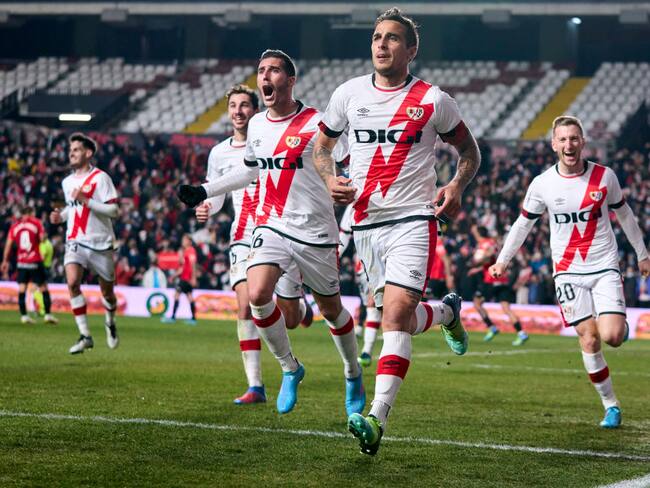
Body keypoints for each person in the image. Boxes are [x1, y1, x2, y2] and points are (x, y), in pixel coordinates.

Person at [313, 7, 481, 455]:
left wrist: (457, 184)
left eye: (391, 38)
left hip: (414, 219)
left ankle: (376, 418)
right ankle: (446, 313)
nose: (381, 45)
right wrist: (330, 178)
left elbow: (468, 150)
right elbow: (322, 147)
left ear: (411, 50)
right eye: (375, 37)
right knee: (402, 317)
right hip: (367, 223)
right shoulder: (348, 94)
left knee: (393, 317)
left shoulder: (433, 99)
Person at [178, 49, 366, 417]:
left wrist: (347, 183)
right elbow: (249, 172)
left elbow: (348, 156)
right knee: (257, 294)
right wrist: (205, 190)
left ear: (290, 80)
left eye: (274, 70)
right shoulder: (259, 125)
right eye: (261, 70)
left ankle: (352, 372)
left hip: (315, 231)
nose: (265, 76)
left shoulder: (318, 123)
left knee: (331, 310)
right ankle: (290, 367)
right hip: (271, 225)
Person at [489, 115, 650, 429]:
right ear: (554, 144)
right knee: (589, 340)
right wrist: (503, 259)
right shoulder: (543, 184)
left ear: (583, 141)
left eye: (574, 138)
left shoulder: (605, 177)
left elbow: (626, 216)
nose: (568, 145)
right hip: (566, 271)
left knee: (612, 337)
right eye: (562, 139)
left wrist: (643, 255)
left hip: (604, 266)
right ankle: (611, 406)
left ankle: (618, 327)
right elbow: (524, 224)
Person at [194, 84, 313, 405]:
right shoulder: (219, 153)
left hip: (280, 230)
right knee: (246, 305)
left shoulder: (271, 139)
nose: (237, 111)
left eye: (244, 105)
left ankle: (301, 309)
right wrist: (207, 206)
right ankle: (256, 386)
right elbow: (218, 196)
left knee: (287, 317)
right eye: (232, 105)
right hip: (243, 236)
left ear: (254, 108)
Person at [50, 133, 120, 354]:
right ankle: (85, 335)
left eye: (77, 149)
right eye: (70, 149)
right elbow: (73, 208)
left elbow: (114, 210)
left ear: (88, 153)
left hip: (100, 242)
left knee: (107, 294)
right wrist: (60, 217)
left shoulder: (101, 178)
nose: (71, 152)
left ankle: (110, 321)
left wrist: (87, 200)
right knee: (72, 282)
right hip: (76, 239)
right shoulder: (67, 182)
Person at [470, 225, 528, 346]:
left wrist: (477, 262)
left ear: (478, 233)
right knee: (506, 308)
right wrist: (479, 268)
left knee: (477, 303)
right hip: (502, 278)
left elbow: (488, 258)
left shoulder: (485, 244)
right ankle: (521, 333)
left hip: (491, 280)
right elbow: (493, 260)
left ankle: (492, 327)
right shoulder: (492, 242)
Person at [339, 204, 381, 367]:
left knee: (373, 302)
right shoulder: (352, 206)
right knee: (370, 304)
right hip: (363, 262)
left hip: (386, 256)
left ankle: (367, 351)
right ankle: (366, 348)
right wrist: (334, 257)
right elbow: (344, 236)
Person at [1, 206, 58, 325]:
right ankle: (47, 315)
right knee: (43, 287)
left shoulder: (15, 227)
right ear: (31, 213)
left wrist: (5, 261)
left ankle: (24, 316)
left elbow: (8, 245)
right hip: (35, 261)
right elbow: (42, 239)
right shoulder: (36, 223)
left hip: (22, 262)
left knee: (22, 288)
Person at [162, 234, 198, 325]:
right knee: (189, 296)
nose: (183, 242)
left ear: (189, 241)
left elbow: (193, 264)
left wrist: (193, 277)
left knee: (177, 294)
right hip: (185, 277)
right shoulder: (186, 251)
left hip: (186, 278)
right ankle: (193, 319)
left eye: (184, 240)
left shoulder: (191, 251)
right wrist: (174, 276)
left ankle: (173, 317)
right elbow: (183, 267)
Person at [32, 236, 54, 316]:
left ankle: (42, 309)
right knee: (42, 289)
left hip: (41, 268)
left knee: (38, 289)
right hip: (46, 268)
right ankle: (43, 309)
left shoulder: (44, 244)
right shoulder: (49, 243)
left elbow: (42, 257)